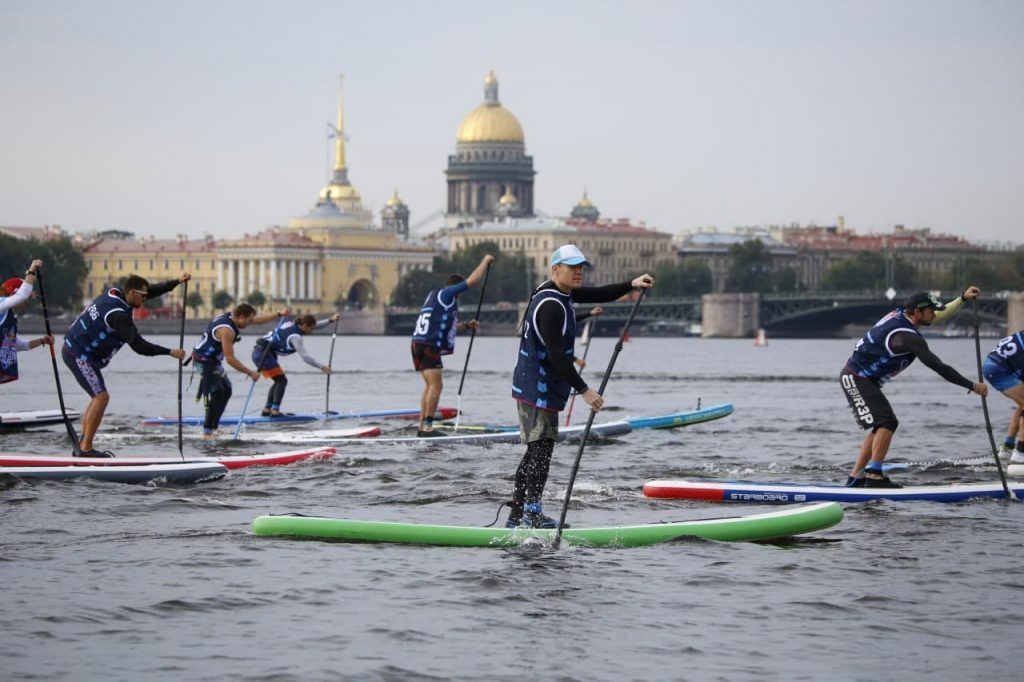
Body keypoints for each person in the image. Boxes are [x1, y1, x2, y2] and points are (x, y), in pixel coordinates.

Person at [505, 244, 653, 528]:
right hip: (538, 389)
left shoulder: (553, 291)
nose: (578, 272)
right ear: (555, 269)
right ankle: (531, 514)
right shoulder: (551, 306)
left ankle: (517, 515)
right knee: (541, 451)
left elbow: (598, 293)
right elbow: (556, 356)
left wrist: (631, 284)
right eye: (572, 267)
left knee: (535, 450)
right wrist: (585, 390)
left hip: (532, 386)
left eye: (581, 267)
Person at [840, 289, 988, 488]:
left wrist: (962, 298)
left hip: (863, 378)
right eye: (930, 311)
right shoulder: (908, 337)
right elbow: (939, 367)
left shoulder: (902, 313)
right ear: (917, 313)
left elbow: (941, 313)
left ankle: (855, 478)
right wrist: (972, 386)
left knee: (880, 426)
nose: (935, 315)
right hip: (857, 379)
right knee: (888, 422)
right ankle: (874, 474)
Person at [62, 273, 190, 457]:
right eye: (142, 296)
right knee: (101, 397)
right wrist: (170, 352)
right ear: (130, 293)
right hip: (79, 355)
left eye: (146, 296)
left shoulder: (115, 292)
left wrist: (176, 282)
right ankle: (85, 449)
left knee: (97, 396)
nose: (145, 299)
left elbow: (149, 290)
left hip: (75, 349)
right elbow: (139, 346)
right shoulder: (119, 316)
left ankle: (83, 444)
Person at [410, 253, 494, 437]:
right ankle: (427, 427)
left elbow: (445, 326)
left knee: (429, 385)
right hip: (429, 344)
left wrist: (466, 326)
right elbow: (472, 281)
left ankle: (422, 425)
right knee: (437, 386)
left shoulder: (434, 296)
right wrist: (485, 262)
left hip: (418, 343)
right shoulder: (448, 293)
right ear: (456, 288)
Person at [192, 303, 288, 437]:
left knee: (227, 390)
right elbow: (230, 359)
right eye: (248, 320)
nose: (250, 323)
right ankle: (207, 432)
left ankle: (214, 427)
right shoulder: (227, 332)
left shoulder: (233, 317)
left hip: (214, 360)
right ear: (241, 317)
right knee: (218, 392)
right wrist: (250, 372)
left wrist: (278, 314)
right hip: (203, 361)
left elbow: (258, 320)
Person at [252, 312, 340, 416]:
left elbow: (315, 325)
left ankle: (267, 410)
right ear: (304, 326)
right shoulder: (296, 338)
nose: (311, 331)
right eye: (310, 329)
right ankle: (275, 410)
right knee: (281, 381)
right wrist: (322, 367)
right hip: (264, 355)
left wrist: (330, 320)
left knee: (278, 380)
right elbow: (305, 357)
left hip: (258, 353)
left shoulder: (291, 323)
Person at [1, 260, 54, 384]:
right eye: (27, 298)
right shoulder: (1, 304)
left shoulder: (9, 315)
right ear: (14, 294)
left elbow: (18, 345)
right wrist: (32, 269)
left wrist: (42, 341)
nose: (26, 302)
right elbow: (22, 295)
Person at [982, 330, 1024, 463]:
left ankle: (1007, 449)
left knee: (1022, 404)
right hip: (1000, 369)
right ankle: (1020, 452)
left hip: (993, 365)